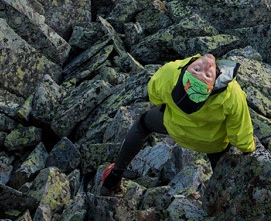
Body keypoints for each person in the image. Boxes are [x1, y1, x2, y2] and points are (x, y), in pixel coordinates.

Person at [99, 53, 255, 195]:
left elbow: (154, 96)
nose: (206, 66)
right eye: (202, 72)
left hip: (174, 127)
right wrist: (248, 148)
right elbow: (239, 134)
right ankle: (219, 201)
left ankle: (114, 176)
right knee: (221, 164)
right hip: (212, 143)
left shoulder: (171, 72)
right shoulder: (232, 95)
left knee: (143, 124)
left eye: (202, 72)